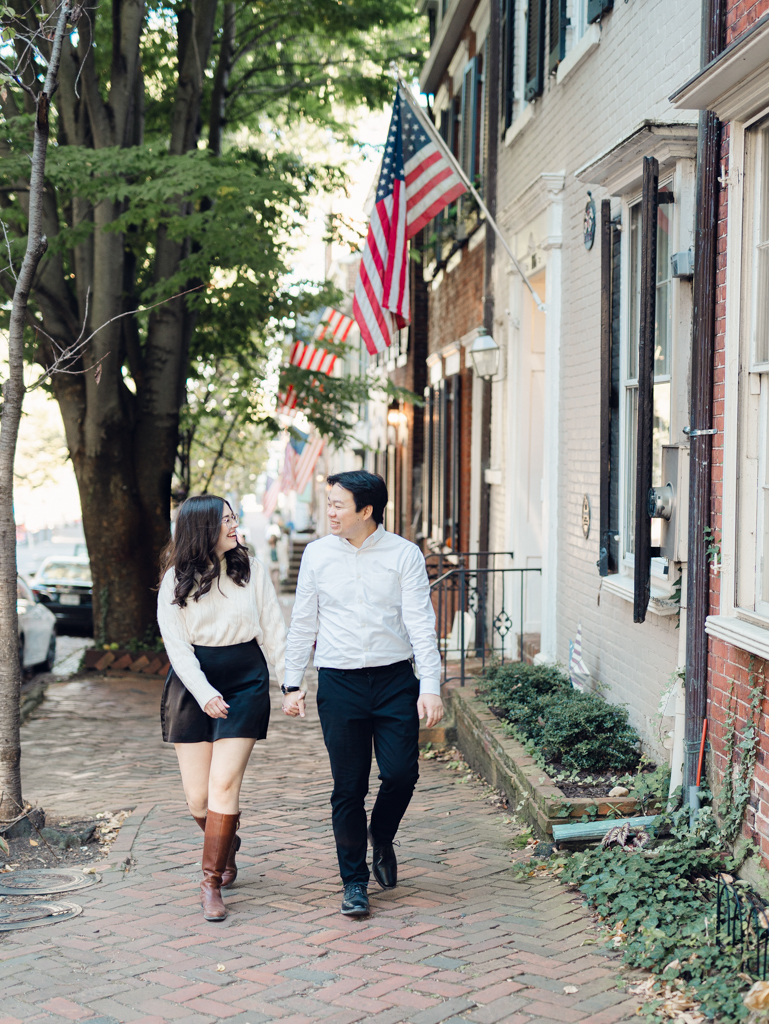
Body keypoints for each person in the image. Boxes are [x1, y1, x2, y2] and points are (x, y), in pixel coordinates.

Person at [282, 471, 443, 918]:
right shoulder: (316, 555)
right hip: (339, 683)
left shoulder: (404, 555)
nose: (329, 512)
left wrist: (429, 685)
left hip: (394, 680)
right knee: (348, 788)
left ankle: (382, 834)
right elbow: (303, 623)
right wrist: (292, 681)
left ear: (366, 510)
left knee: (401, 774)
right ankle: (353, 882)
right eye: (328, 503)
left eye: (337, 504)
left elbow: (420, 624)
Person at [157, 494, 288, 922]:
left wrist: (290, 683)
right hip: (194, 683)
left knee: (224, 783)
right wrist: (204, 692)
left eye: (235, 519)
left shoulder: (251, 570)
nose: (235, 527)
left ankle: (211, 881)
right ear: (203, 529)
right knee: (199, 799)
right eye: (227, 521)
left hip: (245, 678)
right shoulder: (175, 579)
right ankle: (225, 839)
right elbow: (177, 648)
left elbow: (272, 627)